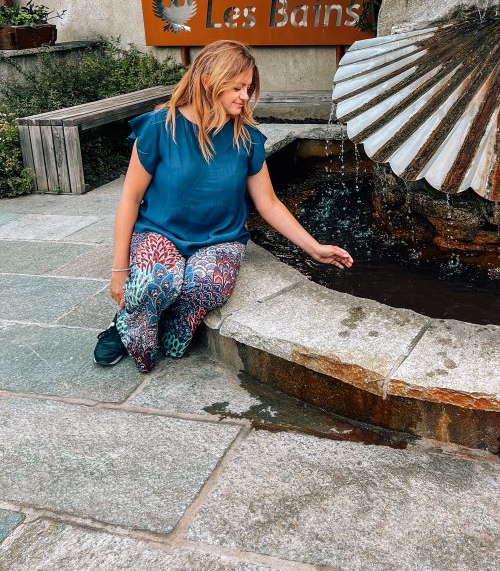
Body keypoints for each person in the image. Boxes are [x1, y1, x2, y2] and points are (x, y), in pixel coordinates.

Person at [94, 39, 353, 373]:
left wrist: (314, 248)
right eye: (237, 87)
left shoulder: (246, 138)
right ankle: (127, 322)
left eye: (248, 87)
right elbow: (129, 199)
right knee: (154, 283)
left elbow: (269, 204)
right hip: (161, 232)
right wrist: (120, 270)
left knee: (204, 286)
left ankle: (163, 324)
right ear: (208, 81)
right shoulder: (160, 128)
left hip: (219, 240)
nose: (245, 96)